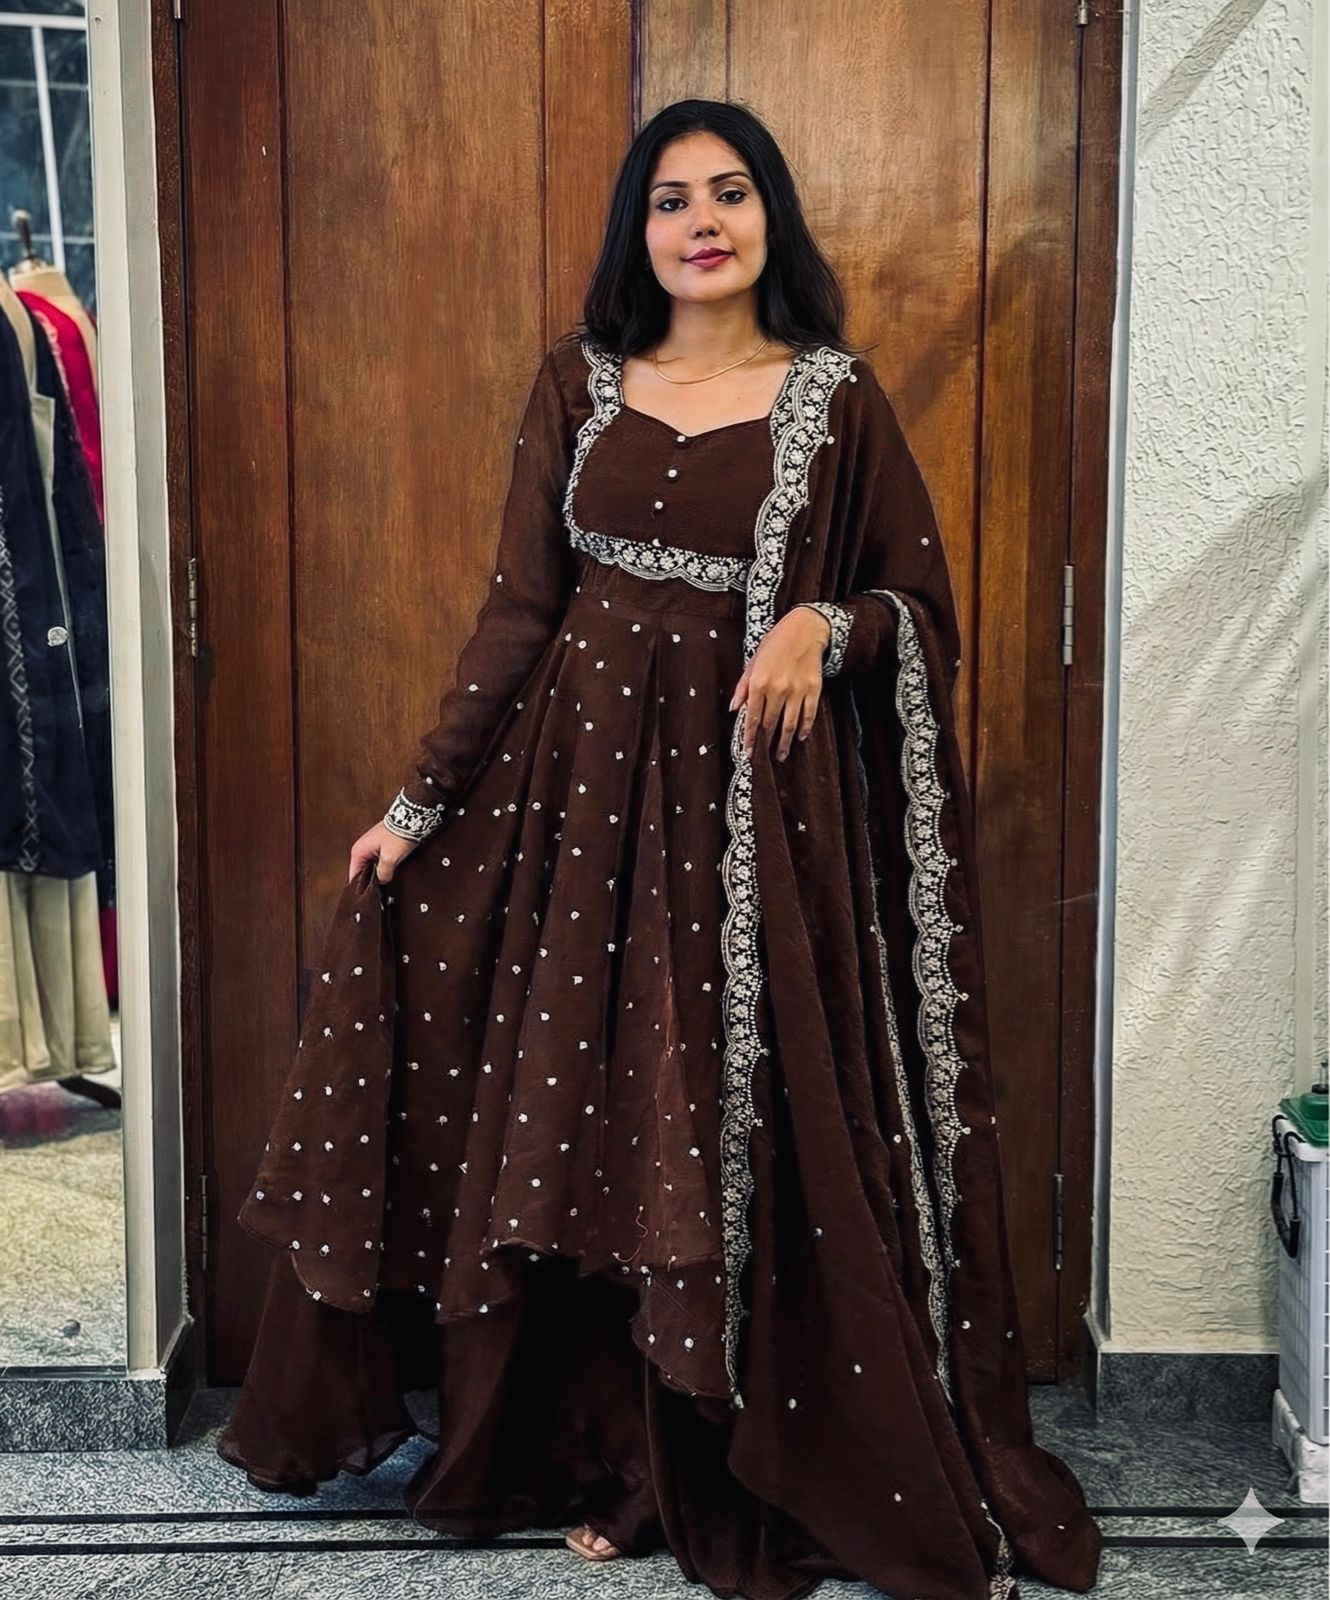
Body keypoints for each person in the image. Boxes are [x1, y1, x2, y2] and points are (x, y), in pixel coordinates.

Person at [216, 98, 1103, 1600]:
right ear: (639, 233)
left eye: (731, 193)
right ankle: (590, 1442)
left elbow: (919, 608)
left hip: (754, 836)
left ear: (771, 219)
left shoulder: (835, 400)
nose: (703, 222)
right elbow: (521, 608)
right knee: (581, 1123)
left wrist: (826, 623)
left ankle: (693, 1457)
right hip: (572, 814)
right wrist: (418, 808)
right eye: (671, 200)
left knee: (705, 1117)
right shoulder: (580, 383)